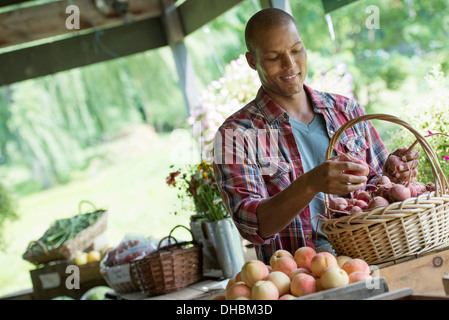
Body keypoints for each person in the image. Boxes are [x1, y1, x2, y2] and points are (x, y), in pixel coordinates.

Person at [212, 8, 419, 265]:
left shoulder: (347, 111)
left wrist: (395, 171)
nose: (290, 64)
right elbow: (251, 226)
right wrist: (310, 183)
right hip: (304, 275)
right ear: (252, 61)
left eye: (296, 50)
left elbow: (380, 184)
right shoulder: (235, 135)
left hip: (374, 256)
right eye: (274, 57)